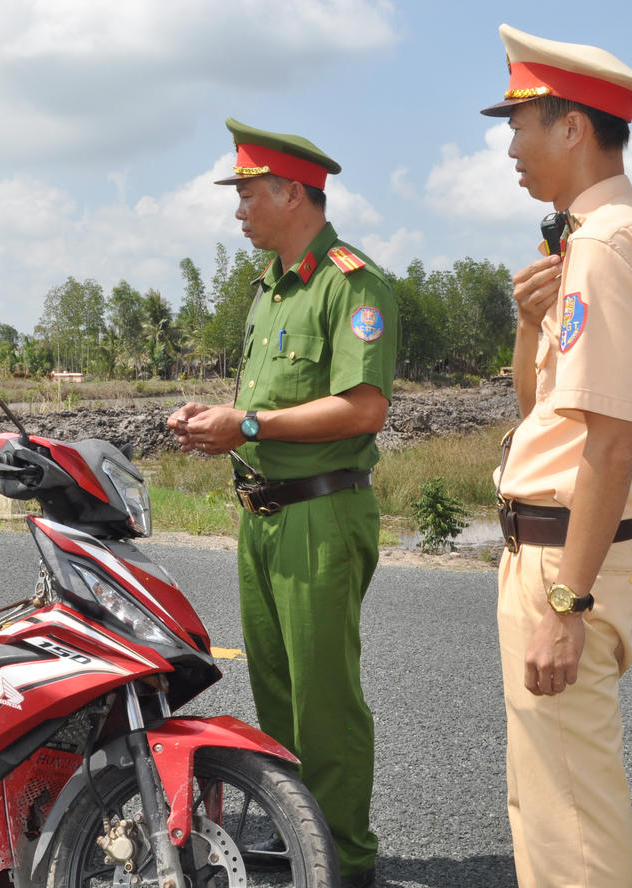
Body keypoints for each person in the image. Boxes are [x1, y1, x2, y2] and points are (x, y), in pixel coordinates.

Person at [482, 25, 632, 888]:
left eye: (521, 122)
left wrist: (567, 603)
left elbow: (612, 445)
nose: (510, 146)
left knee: (571, 816)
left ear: (572, 127)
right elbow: (549, 417)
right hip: (573, 545)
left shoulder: (604, 247)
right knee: (553, 796)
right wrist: (533, 321)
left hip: (568, 555)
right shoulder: (625, 238)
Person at [166, 118, 397, 888]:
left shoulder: (350, 282)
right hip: (262, 514)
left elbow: (364, 409)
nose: (238, 210)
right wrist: (218, 426)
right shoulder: (269, 288)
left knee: (325, 700)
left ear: (292, 192)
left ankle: (346, 864)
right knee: (278, 695)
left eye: (247, 193)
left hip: (320, 515)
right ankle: (305, 845)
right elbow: (263, 406)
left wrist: (250, 424)